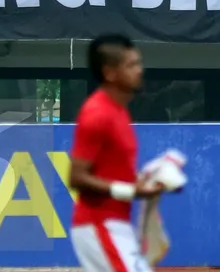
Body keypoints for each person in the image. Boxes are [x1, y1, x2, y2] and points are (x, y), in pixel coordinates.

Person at [68, 34, 165, 272]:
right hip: (97, 223)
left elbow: (111, 171)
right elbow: (76, 178)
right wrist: (131, 190)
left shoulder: (119, 112)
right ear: (110, 73)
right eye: (131, 65)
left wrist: (141, 182)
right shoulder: (97, 113)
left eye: (138, 63)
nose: (140, 70)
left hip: (117, 224)